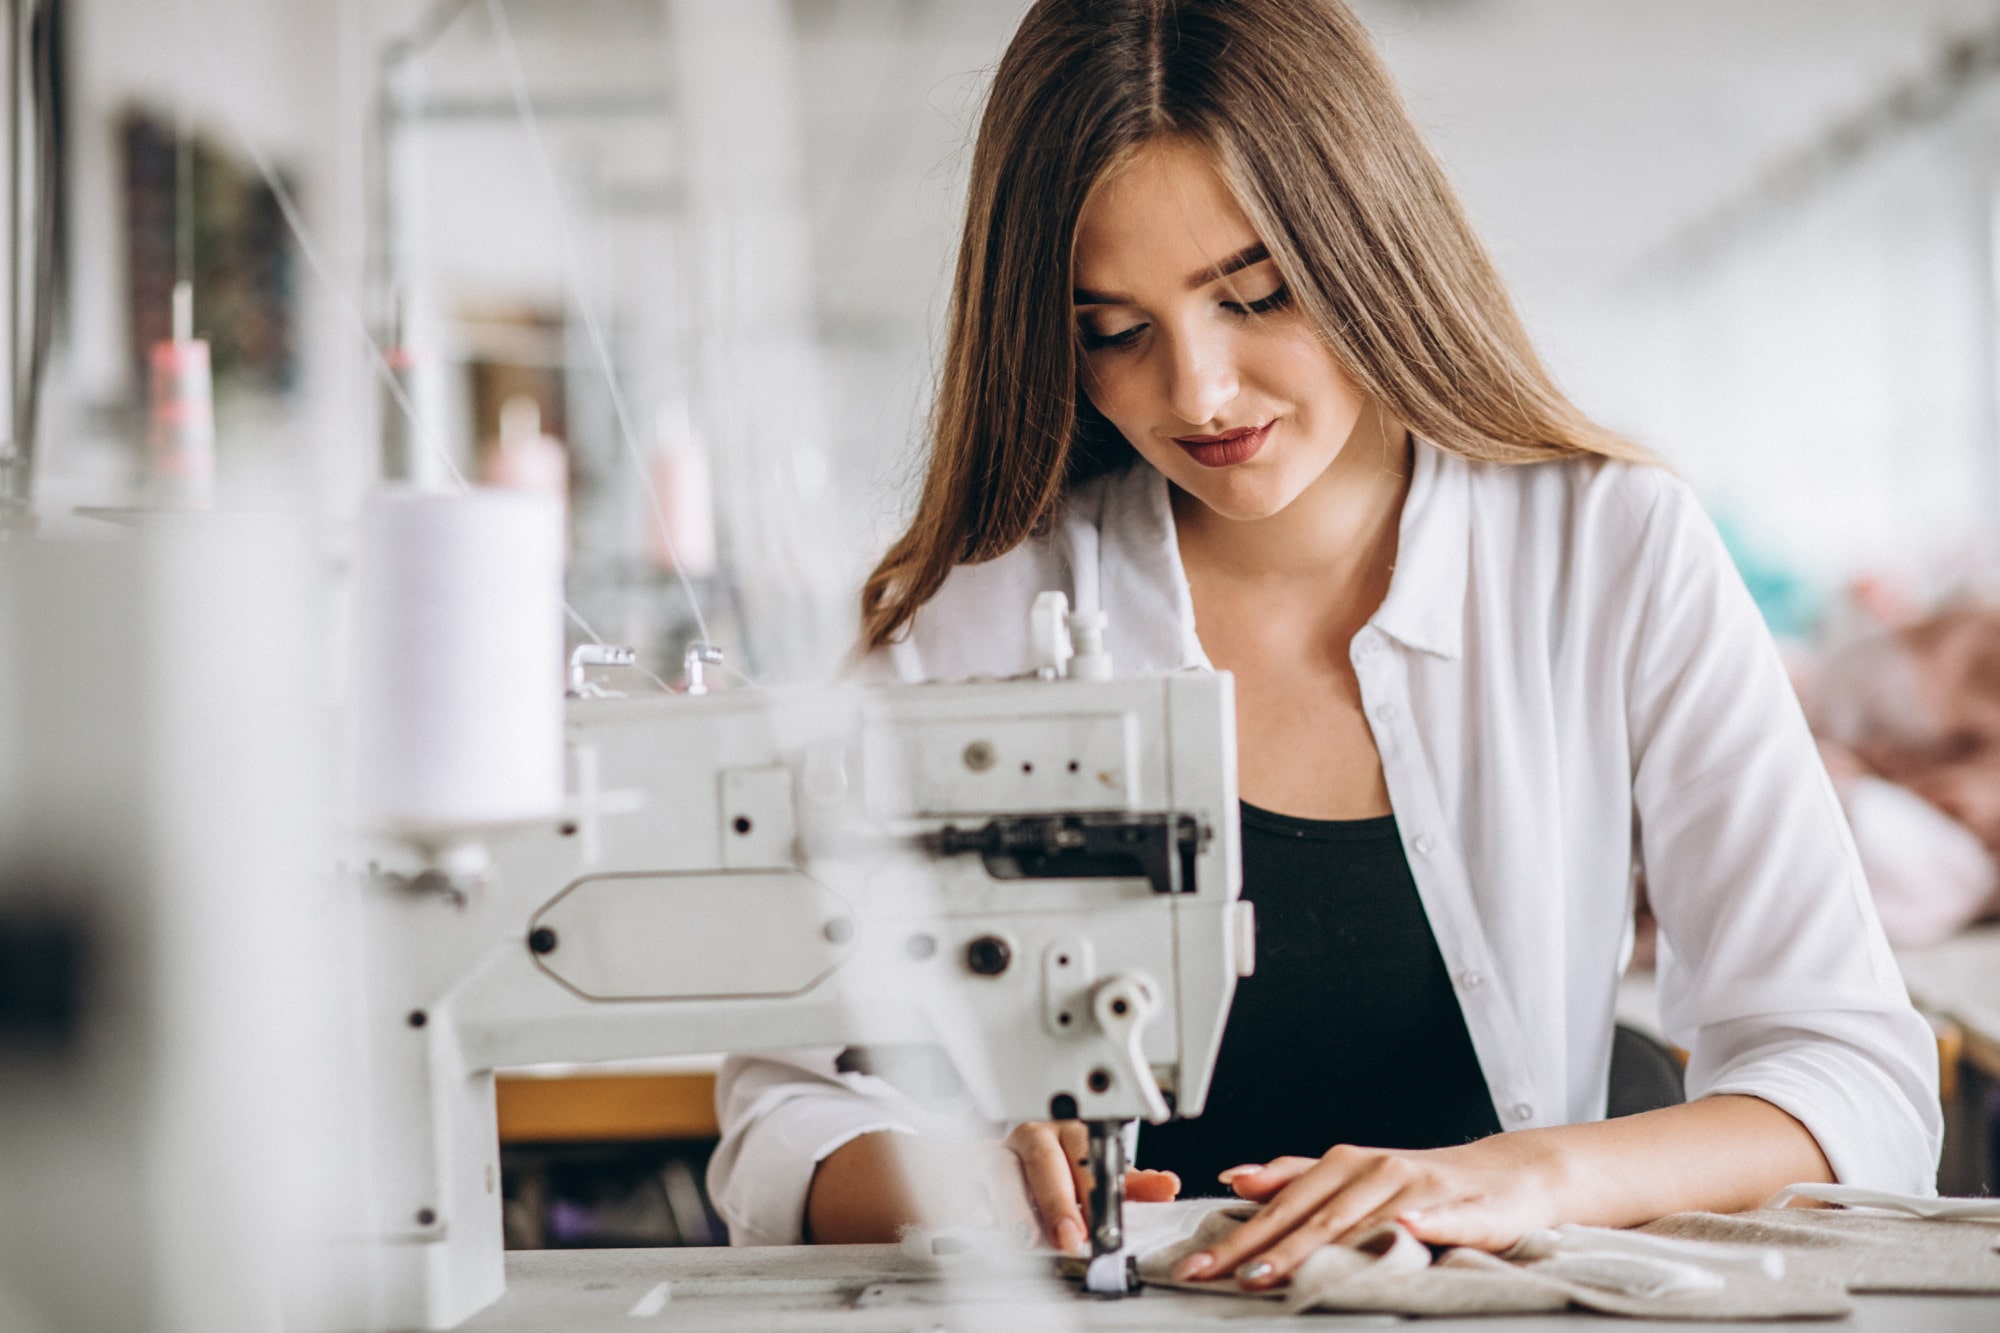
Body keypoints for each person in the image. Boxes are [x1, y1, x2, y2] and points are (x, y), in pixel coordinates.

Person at [707, 0, 1940, 1291]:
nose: (1198, 393)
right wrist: (951, 1180)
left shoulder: (1609, 551)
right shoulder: (979, 614)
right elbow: (788, 1114)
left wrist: (1529, 1174)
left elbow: (1853, 1080)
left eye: (1254, 295)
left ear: (1366, 242)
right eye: (1113, 332)